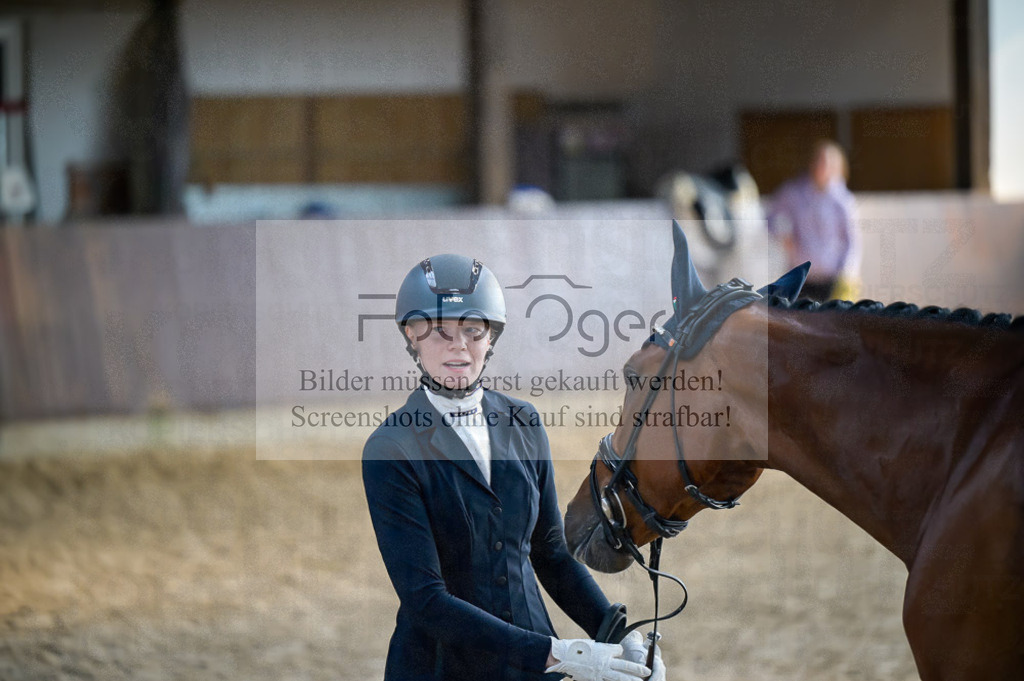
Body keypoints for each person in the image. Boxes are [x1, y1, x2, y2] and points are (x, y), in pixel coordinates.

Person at [362, 254, 665, 681]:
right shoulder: (390, 449)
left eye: (473, 330)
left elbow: (550, 553)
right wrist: (557, 654)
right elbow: (425, 600)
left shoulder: (524, 422)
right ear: (412, 335)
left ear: (491, 337)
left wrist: (619, 634)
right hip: (442, 668)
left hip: (532, 669)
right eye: (439, 331)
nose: (458, 345)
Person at [765, 140, 861, 301]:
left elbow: (852, 240)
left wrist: (847, 274)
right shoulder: (794, 192)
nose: (822, 167)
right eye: (819, 161)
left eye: (827, 163)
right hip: (801, 275)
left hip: (831, 277)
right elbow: (770, 218)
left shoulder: (843, 200)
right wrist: (783, 236)